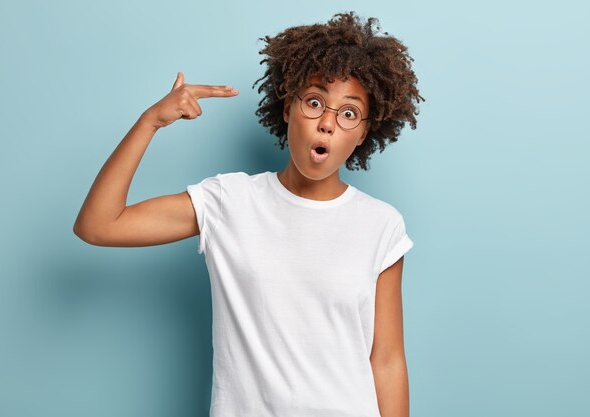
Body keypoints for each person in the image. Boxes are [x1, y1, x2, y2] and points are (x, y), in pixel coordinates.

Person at [73, 11, 423, 417]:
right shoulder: (229, 202)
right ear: (288, 107)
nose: (327, 123)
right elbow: (98, 225)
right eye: (314, 102)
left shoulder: (381, 224)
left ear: (363, 132)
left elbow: (387, 360)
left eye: (348, 113)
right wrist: (150, 122)